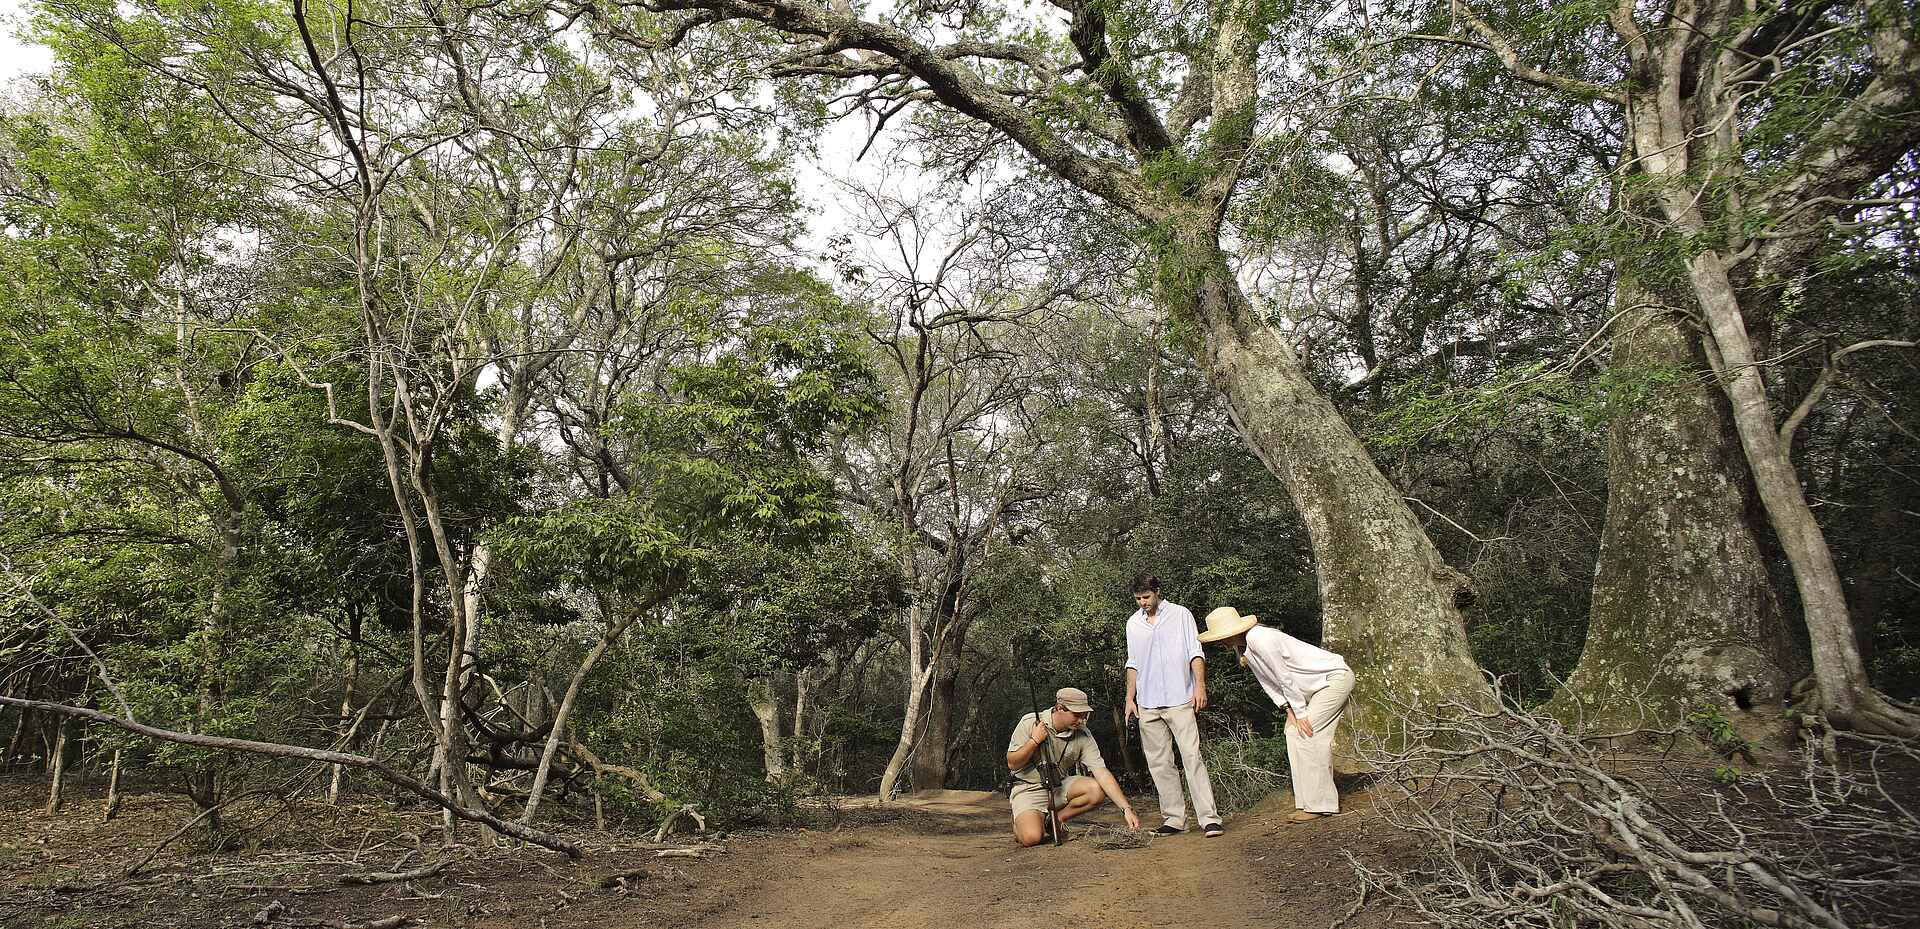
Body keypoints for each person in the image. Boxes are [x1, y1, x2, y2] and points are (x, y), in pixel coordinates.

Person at [1197, 605, 1355, 822]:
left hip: (1333, 680)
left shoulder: (1260, 638)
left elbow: (1284, 677)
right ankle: (1306, 802)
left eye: (1222, 637)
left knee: (1306, 734)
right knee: (1292, 732)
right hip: (1314, 689)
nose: (1220, 642)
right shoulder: (1243, 647)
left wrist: (1300, 713)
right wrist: (1288, 709)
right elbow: (1268, 682)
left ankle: (1321, 804)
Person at [1123, 574, 1224, 837]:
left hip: (1181, 697)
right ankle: (1174, 819)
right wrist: (1129, 699)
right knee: (1159, 763)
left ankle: (1209, 819)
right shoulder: (1133, 624)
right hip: (1148, 702)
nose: (1142, 603)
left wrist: (1199, 687)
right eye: (1138, 599)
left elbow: (1195, 652)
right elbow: (1133, 662)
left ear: (1157, 592)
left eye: (1146, 597)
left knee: (1192, 758)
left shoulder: (1181, 615)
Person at [1006, 686, 1141, 846]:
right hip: (1028, 789)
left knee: (1096, 790)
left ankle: (1055, 820)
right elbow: (1012, 763)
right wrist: (1034, 741)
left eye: (1084, 715)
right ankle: (1020, 823)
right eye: (1077, 714)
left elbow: (1101, 772)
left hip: (1057, 786)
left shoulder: (1083, 733)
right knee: (1032, 838)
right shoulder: (1030, 722)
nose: (1081, 720)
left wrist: (1126, 809)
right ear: (1059, 708)